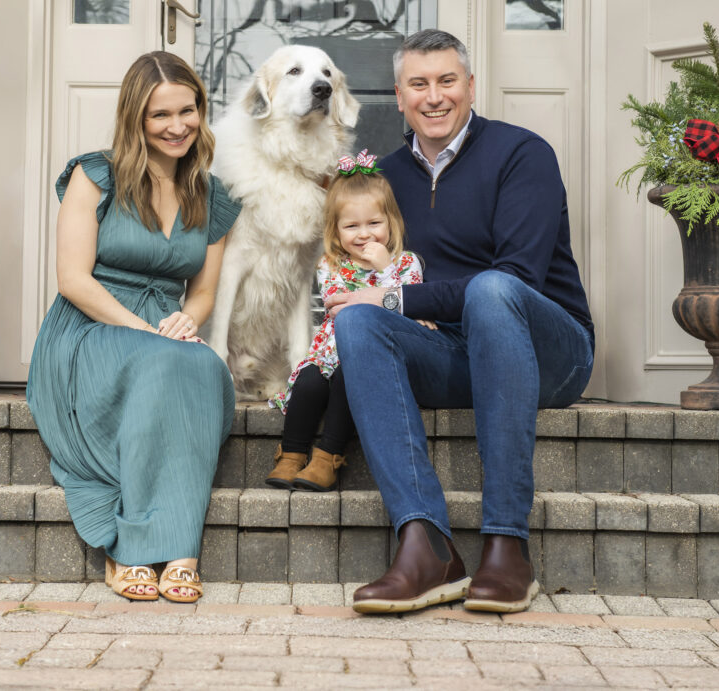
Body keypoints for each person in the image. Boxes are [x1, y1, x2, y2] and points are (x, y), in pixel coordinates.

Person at [328, 29, 594, 615]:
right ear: (398, 96)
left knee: (493, 290)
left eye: (447, 81)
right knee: (356, 323)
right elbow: (357, 269)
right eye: (418, 84)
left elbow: (518, 278)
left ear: (470, 87)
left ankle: (507, 546)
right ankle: (426, 547)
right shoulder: (385, 177)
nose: (434, 96)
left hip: (548, 351)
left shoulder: (522, 154)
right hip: (452, 353)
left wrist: (394, 300)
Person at [26, 51, 240, 604]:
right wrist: (145, 332)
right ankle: (134, 548)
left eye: (187, 111)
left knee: (202, 365)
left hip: (164, 335)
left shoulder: (212, 196)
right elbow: (74, 280)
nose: (177, 127)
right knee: (172, 359)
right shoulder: (93, 176)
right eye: (160, 116)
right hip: (89, 330)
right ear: (136, 120)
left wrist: (184, 323)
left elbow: (205, 294)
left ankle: (182, 552)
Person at [266, 151, 425, 492]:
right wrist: (380, 282)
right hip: (329, 350)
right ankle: (291, 455)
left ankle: (327, 458)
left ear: (391, 222)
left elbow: (408, 303)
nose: (364, 234)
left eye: (374, 224)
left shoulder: (406, 263)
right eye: (352, 226)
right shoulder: (331, 265)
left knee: (347, 382)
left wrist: (385, 269)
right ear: (336, 232)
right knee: (309, 381)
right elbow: (338, 304)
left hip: (368, 354)